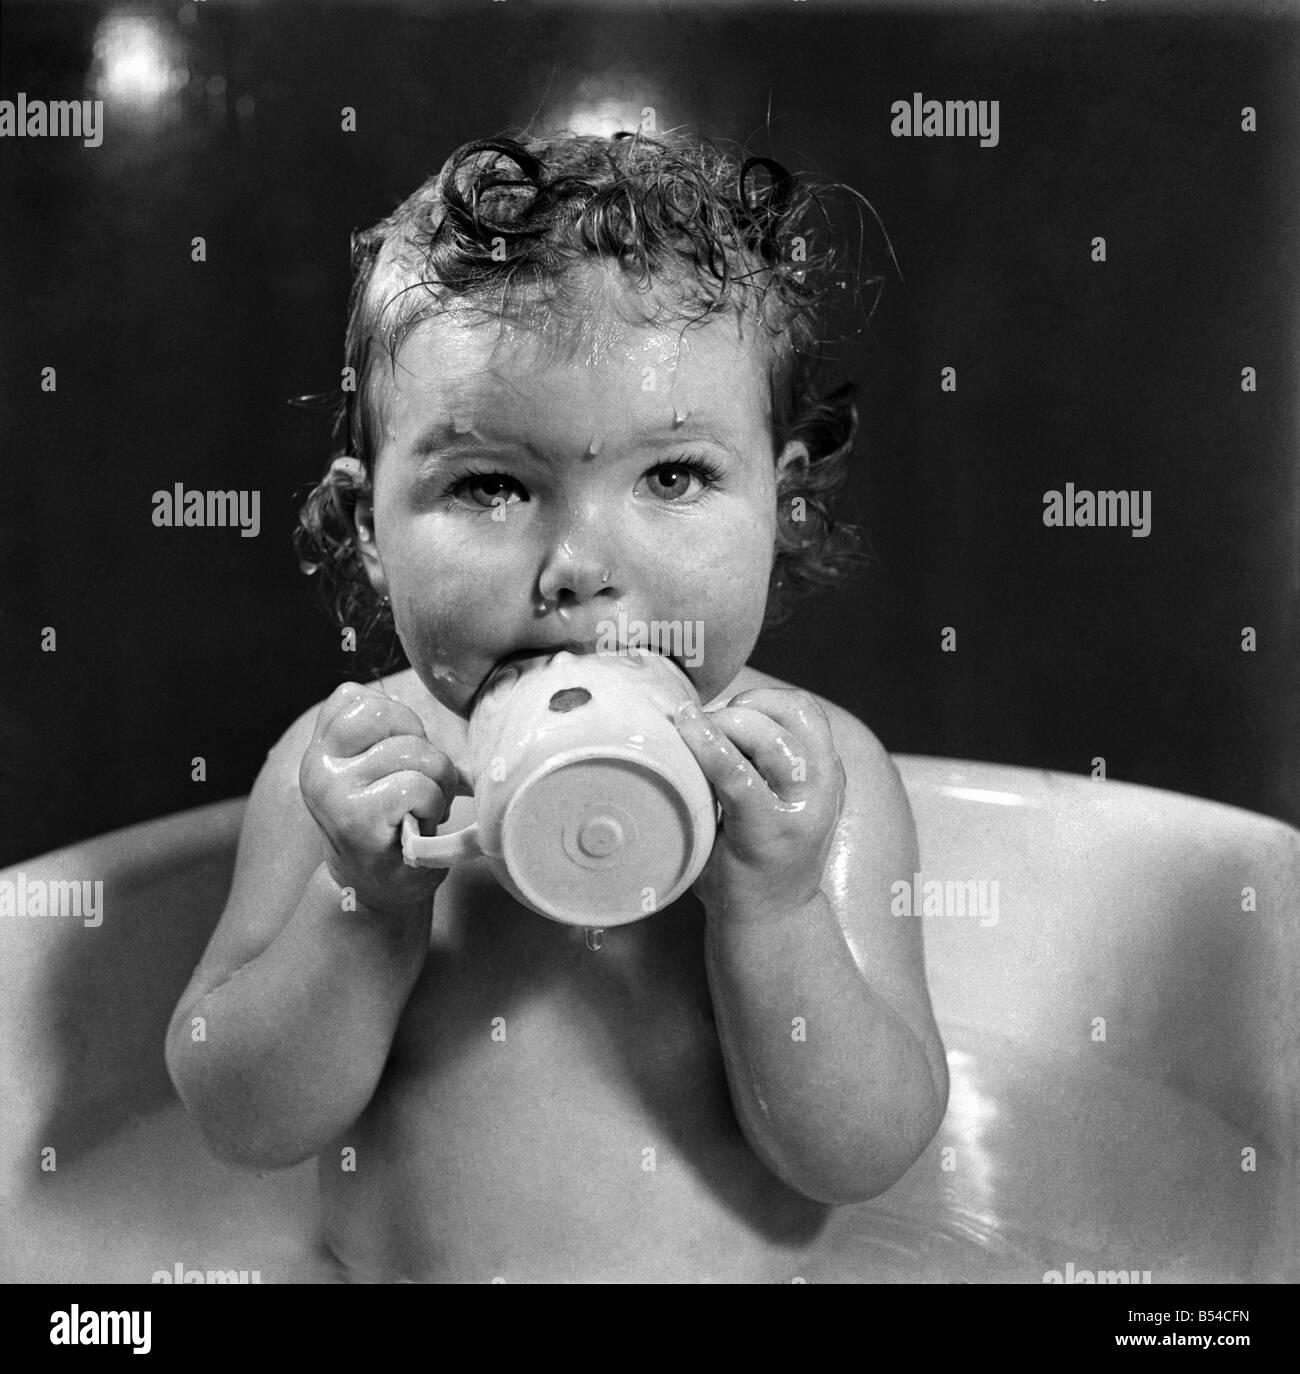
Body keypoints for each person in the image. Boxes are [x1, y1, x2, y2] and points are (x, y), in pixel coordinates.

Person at [165, 130, 948, 1282]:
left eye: (671, 477)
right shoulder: (348, 777)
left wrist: (774, 910)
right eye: (489, 483)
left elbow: (861, 1152)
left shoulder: (809, 781)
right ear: (371, 529)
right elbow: (238, 1118)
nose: (580, 562)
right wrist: (360, 906)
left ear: (779, 503)